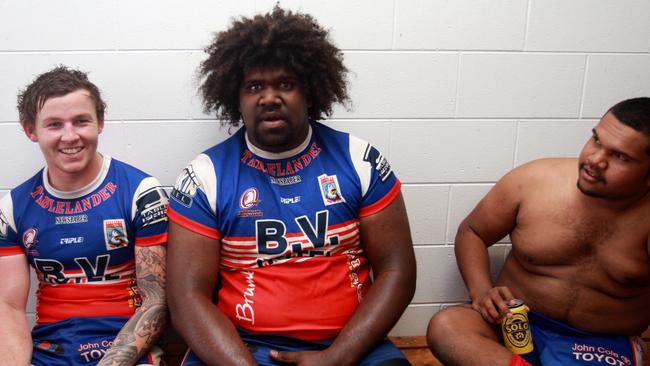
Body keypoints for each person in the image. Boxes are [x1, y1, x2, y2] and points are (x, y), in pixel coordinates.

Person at [166, 7, 416, 366]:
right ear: (235, 98)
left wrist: (338, 357)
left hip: (352, 347)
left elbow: (398, 270)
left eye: (285, 84)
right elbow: (186, 298)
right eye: (254, 86)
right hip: (240, 348)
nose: (269, 98)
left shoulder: (360, 160)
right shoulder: (205, 175)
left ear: (310, 91)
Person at [426, 97, 650, 366]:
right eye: (597, 140)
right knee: (447, 327)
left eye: (620, 156)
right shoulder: (534, 181)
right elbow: (472, 231)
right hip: (513, 322)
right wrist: (482, 291)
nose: (594, 159)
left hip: (600, 344)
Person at [0, 66, 169, 365]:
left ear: (100, 123)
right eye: (54, 124)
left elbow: (156, 301)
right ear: (30, 130)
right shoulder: (12, 207)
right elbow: (9, 309)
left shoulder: (141, 192)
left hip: (127, 347)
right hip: (50, 351)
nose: (70, 136)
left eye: (81, 121)